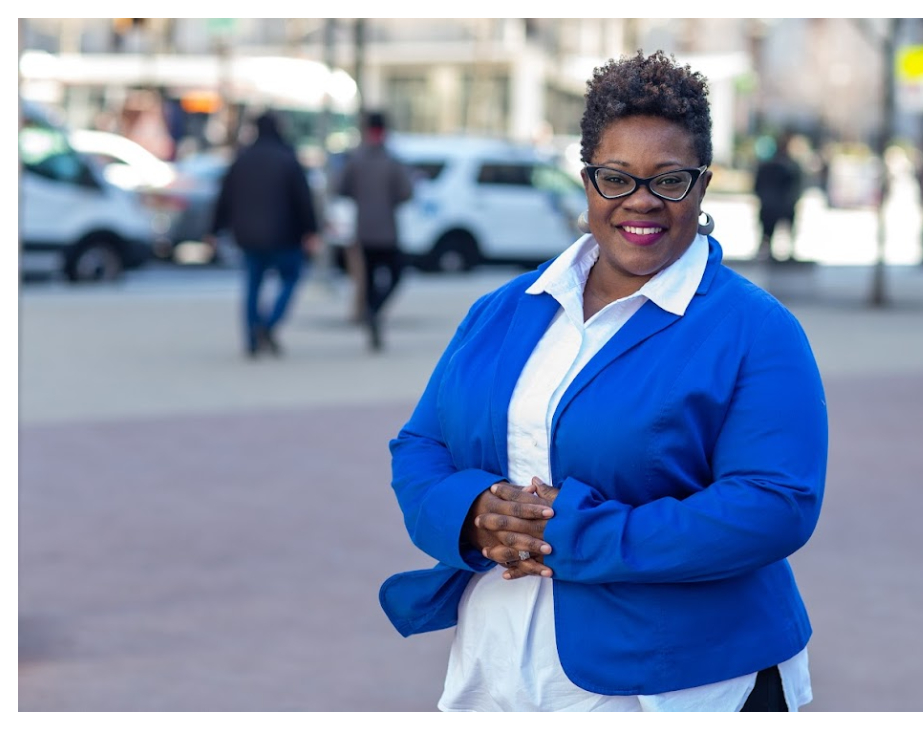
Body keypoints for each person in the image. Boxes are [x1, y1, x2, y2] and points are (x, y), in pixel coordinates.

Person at [380, 50, 828, 712]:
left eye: (669, 180)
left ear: (702, 186)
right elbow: (420, 446)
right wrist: (472, 514)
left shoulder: (754, 330)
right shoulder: (507, 309)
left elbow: (774, 504)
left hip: (680, 684)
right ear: (587, 180)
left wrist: (568, 534)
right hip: (500, 670)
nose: (641, 202)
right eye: (616, 178)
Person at [208, 111, 320, 358]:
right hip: (285, 235)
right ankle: (269, 325)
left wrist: (214, 230)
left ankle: (251, 338)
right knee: (290, 278)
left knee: (252, 285)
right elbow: (303, 198)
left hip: (248, 236)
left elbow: (225, 196)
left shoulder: (242, 159)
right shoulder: (287, 158)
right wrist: (311, 231)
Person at [335, 110, 414, 352]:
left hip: (364, 231)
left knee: (368, 280)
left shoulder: (355, 160)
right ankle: (375, 312)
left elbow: (341, 188)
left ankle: (372, 314)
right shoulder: (392, 160)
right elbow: (406, 192)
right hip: (388, 231)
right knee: (397, 274)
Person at [752, 133, 804, 262]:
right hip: (777, 204)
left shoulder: (774, 164)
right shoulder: (785, 165)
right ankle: (768, 249)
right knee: (769, 230)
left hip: (777, 204)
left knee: (774, 230)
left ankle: (776, 249)